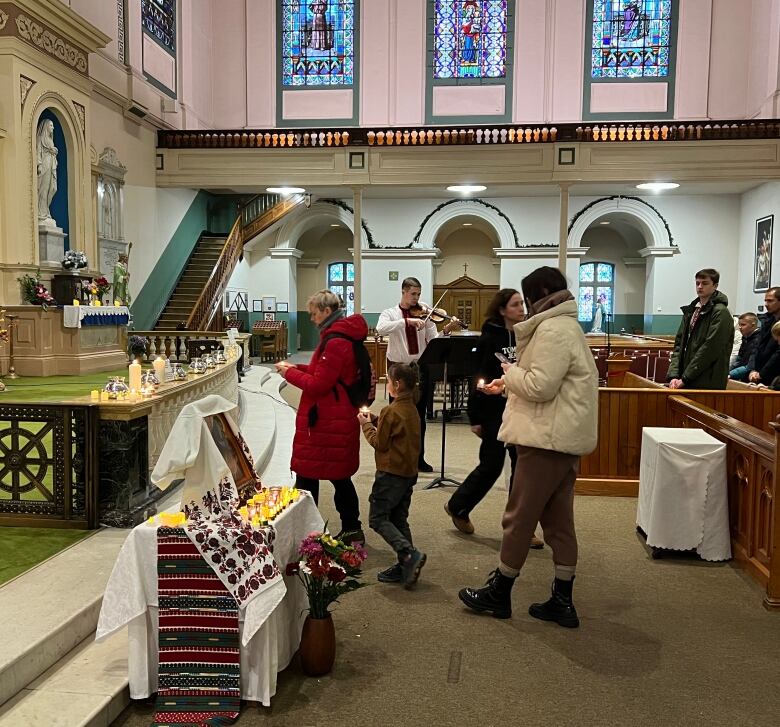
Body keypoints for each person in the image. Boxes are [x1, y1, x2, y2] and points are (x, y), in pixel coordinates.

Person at [458, 267, 598, 626]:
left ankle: (499, 593)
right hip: (559, 436)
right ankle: (561, 599)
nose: (526, 307)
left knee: (518, 518)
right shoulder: (566, 327)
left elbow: (539, 386)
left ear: (539, 296)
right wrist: (507, 385)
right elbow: (548, 381)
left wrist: (509, 373)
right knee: (558, 522)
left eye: (527, 298)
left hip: (545, 438)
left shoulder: (553, 330)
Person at [444, 288, 543, 548]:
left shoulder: (526, 335)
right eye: (515, 305)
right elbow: (476, 378)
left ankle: (520, 526)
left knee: (522, 470)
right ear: (502, 310)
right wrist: (474, 416)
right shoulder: (489, 338)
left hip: (520, 409)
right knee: (491, 465)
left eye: (522, 303)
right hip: (492, 412)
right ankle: (458, 506)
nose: (521, 308)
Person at [276, 289, 367, 543]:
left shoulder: (336, 341)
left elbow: (318, 385)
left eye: (314, 314)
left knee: (312, 477)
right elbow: (322, 371)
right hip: (332, 417)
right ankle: (345, 528)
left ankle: (309, 531)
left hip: (328, 421)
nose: (312, 319)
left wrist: (288, 375)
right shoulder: (337, 335)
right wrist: (296, 367)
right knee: (329, 477)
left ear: (327, 311)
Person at [376, 277, 457, 472]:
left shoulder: (426, 314)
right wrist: (406, 322)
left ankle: (418, 459)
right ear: (403, 291)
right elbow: (380, 329)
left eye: (419, 294)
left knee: (419, 416)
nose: (417, 298)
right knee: (396, 415)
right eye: (413, 294)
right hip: (398, 369)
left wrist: (445, 330)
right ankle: (395, 457)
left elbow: (434, 339)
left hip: (419, 368)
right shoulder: (390, 313)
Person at [358, 363, 426, 587]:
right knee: (399, 518)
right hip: (408, 474)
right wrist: (377, 419)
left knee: (377, 518)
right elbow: (395, 430)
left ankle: (408, 553)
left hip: (390, 474)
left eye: (388, 381)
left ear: (396, 385)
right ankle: (405, 565)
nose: (387, 384)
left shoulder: (391, 411)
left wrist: (366, 425)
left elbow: (380, 442)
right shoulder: (411, 409)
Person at [667, 268, 734, 390]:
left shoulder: (720, 312)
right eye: (697, 283)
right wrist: (674, 375)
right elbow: (679, 344)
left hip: (707, 379)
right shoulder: (692, 310)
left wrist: (686, 377)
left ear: (715, 286)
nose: (700, 286)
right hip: (686, 376)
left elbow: (710, 348)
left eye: (705, 283)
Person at [747, 287, 780, 385]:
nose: (766, 304)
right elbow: (756, 346)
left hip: (773, 375)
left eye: (770, 301)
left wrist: (762, 374)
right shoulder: (766, 320)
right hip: (758, 373)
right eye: (765, 300)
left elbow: (778, 354)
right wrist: (752, 370)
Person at [36, 118, 58, 226]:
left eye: (53, 125)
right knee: (43, 189)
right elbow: (38, 151)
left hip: (51, 165)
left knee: (52, 188)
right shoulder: (40, 138)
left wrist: (54, 151)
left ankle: (46, 210)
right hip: (44, 165)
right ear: (45, 126)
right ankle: (42, 212)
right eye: (51, 125)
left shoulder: (50, 140)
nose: (53, 127)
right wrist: (39, 164)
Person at [729, 313, 760, 381]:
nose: (740, 327)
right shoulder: (745, 337)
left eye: (743, 325)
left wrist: (730, 374)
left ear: (753, 325)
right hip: (742, 375)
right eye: (739, 325)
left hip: (752, 376)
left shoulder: (759, 339)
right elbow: (739, 359)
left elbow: (750, 365)